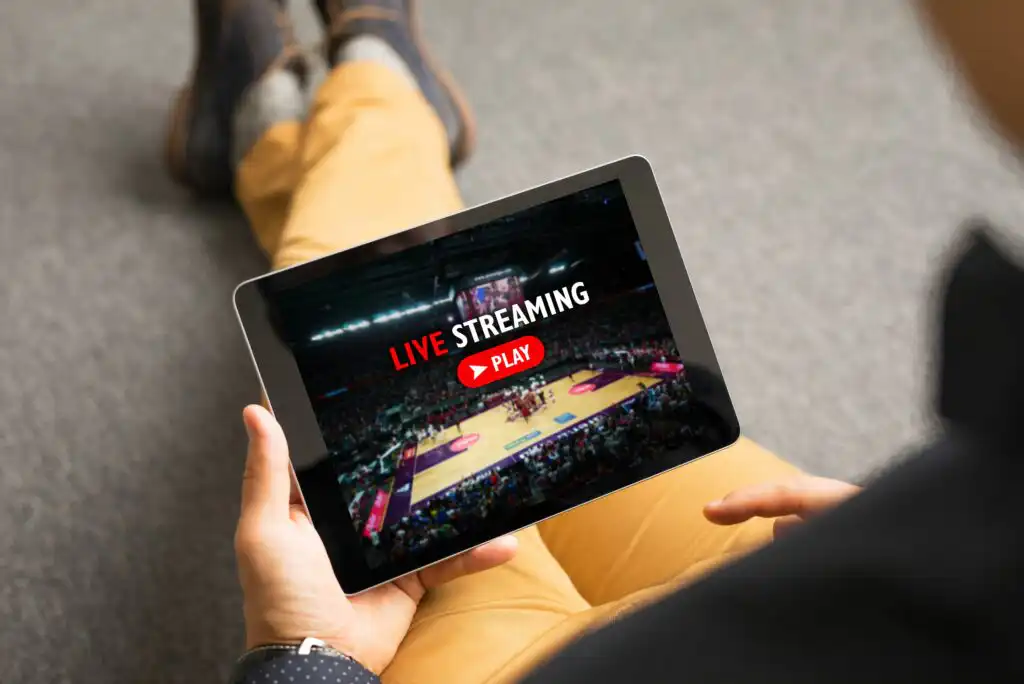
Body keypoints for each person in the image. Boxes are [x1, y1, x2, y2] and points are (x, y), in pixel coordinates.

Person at [169, 1, 1022, 684]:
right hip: (832, 590)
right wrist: (916, 545)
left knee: (353, 266)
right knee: (395, 274)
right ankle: (320, 104)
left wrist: (307, 659)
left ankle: (342, 98)